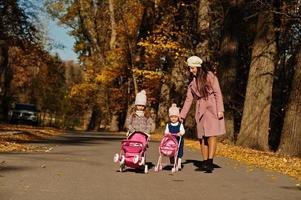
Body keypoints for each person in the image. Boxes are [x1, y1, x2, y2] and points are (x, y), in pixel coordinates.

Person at [179, 56, 225, 173]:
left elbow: (218, 93)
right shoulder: (191, 82)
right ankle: (204, 162)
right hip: (200, 108)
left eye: (193, 68)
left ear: (198, 67)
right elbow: (188, 100)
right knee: (202, 137)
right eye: (190, 68)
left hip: (212, 107)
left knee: (212, 135)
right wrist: (182, 115)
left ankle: (210, 162)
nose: (191, 70)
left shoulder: (209, 76)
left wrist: (220, 109)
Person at [164, 103, 185, 170]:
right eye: (172, 117)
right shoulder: (168, 125)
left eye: (175, 117)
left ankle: (178, 163)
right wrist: (168, 133)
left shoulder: (180, 125)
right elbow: (166, 131)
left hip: (178, 140)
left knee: (179, 152)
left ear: (178, 117)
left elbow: (183, 131)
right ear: (169, 117)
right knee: (171, 151)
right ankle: (173, 163)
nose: (173, 118)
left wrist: (180, 133)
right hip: (171, 141)